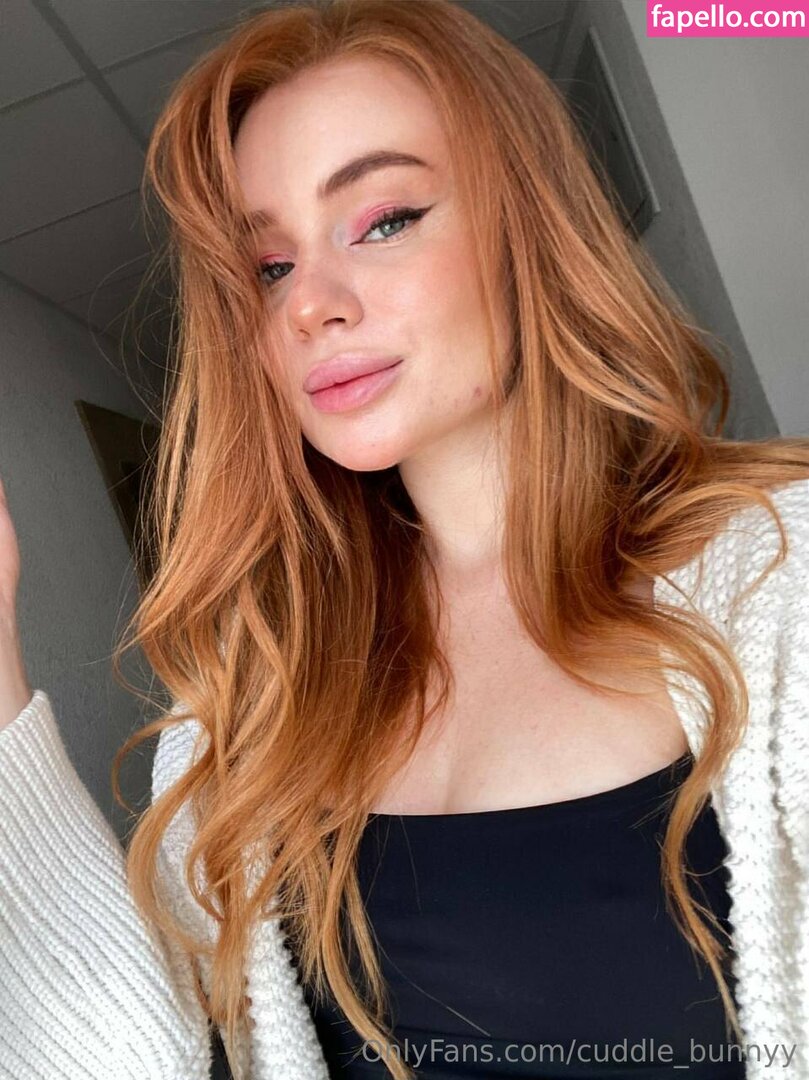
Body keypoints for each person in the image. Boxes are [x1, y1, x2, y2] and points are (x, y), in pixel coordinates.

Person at [1, 1, 808, 1078]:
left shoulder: (781, 578)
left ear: (528, 225)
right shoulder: (252, 696)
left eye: (381, 221)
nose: (307, 307)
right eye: (270, 267)